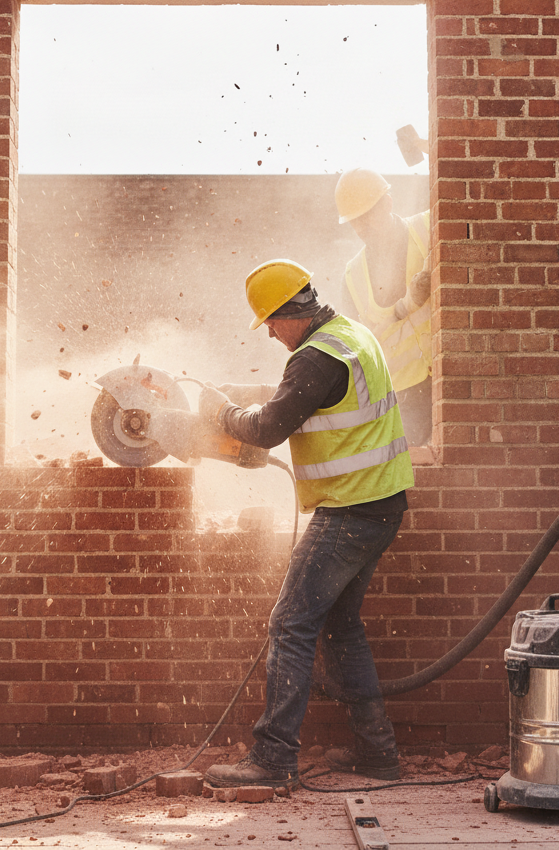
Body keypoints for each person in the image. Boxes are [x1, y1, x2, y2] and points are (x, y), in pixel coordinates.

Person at [198, 258, 413, 788]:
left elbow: (268, 428)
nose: (269, 333)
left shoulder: (316, 358)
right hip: (380, 503)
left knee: (290, 623)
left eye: (270, 321)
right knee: (341, 627)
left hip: (349, 510)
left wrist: (222, 414)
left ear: (291, 311)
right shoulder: (349, 335)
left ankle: (272, 761)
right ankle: (378, 754)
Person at [334, 168, 432, 446]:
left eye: (368, 216)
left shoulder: (429, 228)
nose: (362, 227)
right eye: (355, 221)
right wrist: (408, 304)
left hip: (452, 373)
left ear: (388, 204)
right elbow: (362, 350)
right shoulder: (352, 278)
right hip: (405, 396)